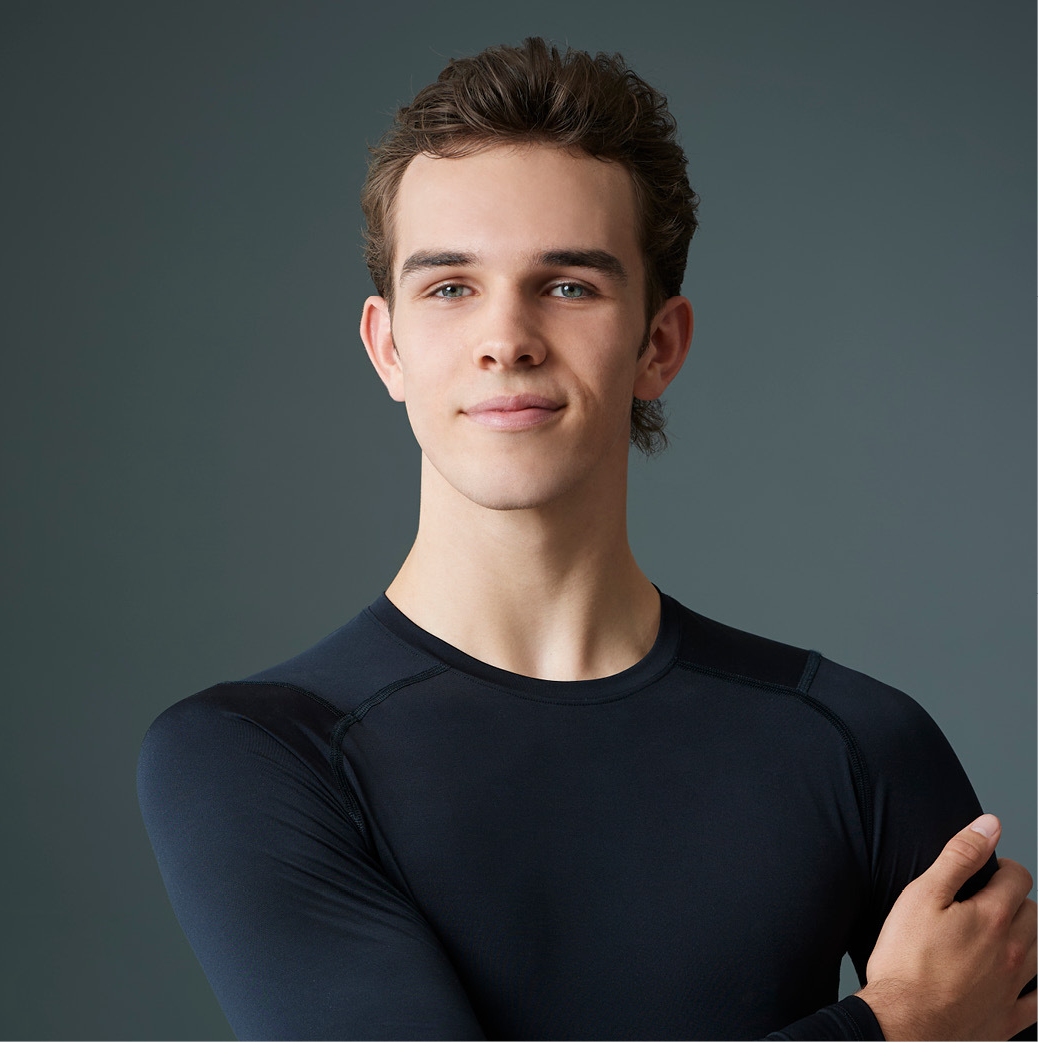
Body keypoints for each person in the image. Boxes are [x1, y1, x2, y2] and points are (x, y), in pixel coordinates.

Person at [137, 38, 1036, 1041]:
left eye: (567, 285)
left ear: (660, 344)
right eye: (449, 287)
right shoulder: (258, 752)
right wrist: (898, 1024)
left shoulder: (859, 742)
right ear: (387, 348)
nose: (507, 339)